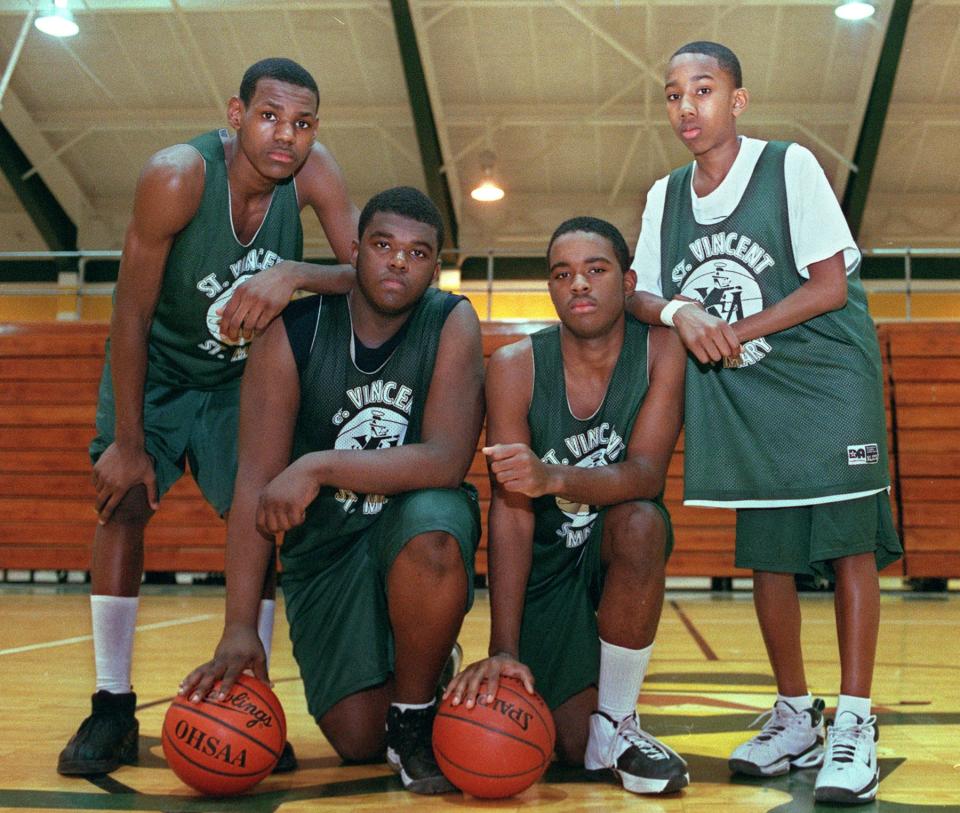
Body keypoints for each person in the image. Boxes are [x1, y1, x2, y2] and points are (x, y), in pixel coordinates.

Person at [57, 57, 360, 777]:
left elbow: (368, 273)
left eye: (302, 123)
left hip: (241, 382)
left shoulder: (314, 173)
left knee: (262, 522)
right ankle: (110, 705)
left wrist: (292, 273)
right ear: (236, 113)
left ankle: (246, 692)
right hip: (157, 368)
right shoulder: (177, 175)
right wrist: (130, 442)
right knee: (123, 501)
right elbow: (129, 313)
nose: (286, 136)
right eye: (269, 117)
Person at [628, 41, 902, 805]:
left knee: (848, 545)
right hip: (748, 394)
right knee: (770, 553)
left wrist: (736, 330)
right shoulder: (665, 196)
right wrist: (681, 309)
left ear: (737, 101)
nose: (687, 107)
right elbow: (638, 294)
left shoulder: (789, 167)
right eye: (674, 94)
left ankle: (853, 717)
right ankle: (795, 713)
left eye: (704, 90)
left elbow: (826, 285)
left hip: (825, 377)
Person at [179, 186, 485, 795]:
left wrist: (318, 465)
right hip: (326, 550)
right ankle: (417, 669)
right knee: (355, 739)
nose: (398, 262)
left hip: (408, 526)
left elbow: (448, 460)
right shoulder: (290, 333)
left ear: (435, 266)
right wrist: (240, 625)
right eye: (383, 245)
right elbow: (254, 485)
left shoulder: (452, 321)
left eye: (418, 253)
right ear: (353, 252)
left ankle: (415, 713)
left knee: (435, 522)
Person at [445, 217, 689, 795]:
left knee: (641, 523)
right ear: (550, 288)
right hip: (546, 572)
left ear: (627, 282)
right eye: (562, 274)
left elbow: (646, 476)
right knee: (566, 748)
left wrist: (551, 475)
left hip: (608, 553)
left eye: (595, 270)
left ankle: (619, 723)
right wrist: (503, 646)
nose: (578, 284)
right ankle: (452, 671)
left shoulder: (661, 350)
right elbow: (509, 510)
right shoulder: (513, 367)